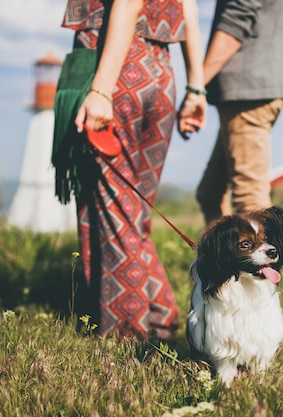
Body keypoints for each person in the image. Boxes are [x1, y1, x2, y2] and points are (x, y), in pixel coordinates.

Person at [52, 0, 206, 340]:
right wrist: (196, 87)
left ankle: (127, 337)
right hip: (161, 75)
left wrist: (100, 89)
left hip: (115, 69)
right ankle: (160, 316)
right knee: (133, 213)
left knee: (116, 213)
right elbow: (189, 10)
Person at [195, 0, 283, 224]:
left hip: (247, 91)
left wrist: (196, 84)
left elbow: (236, 19)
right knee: (210, 193)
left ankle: (263, 259)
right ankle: (219, 258)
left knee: (250, 202)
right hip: (251, 90)